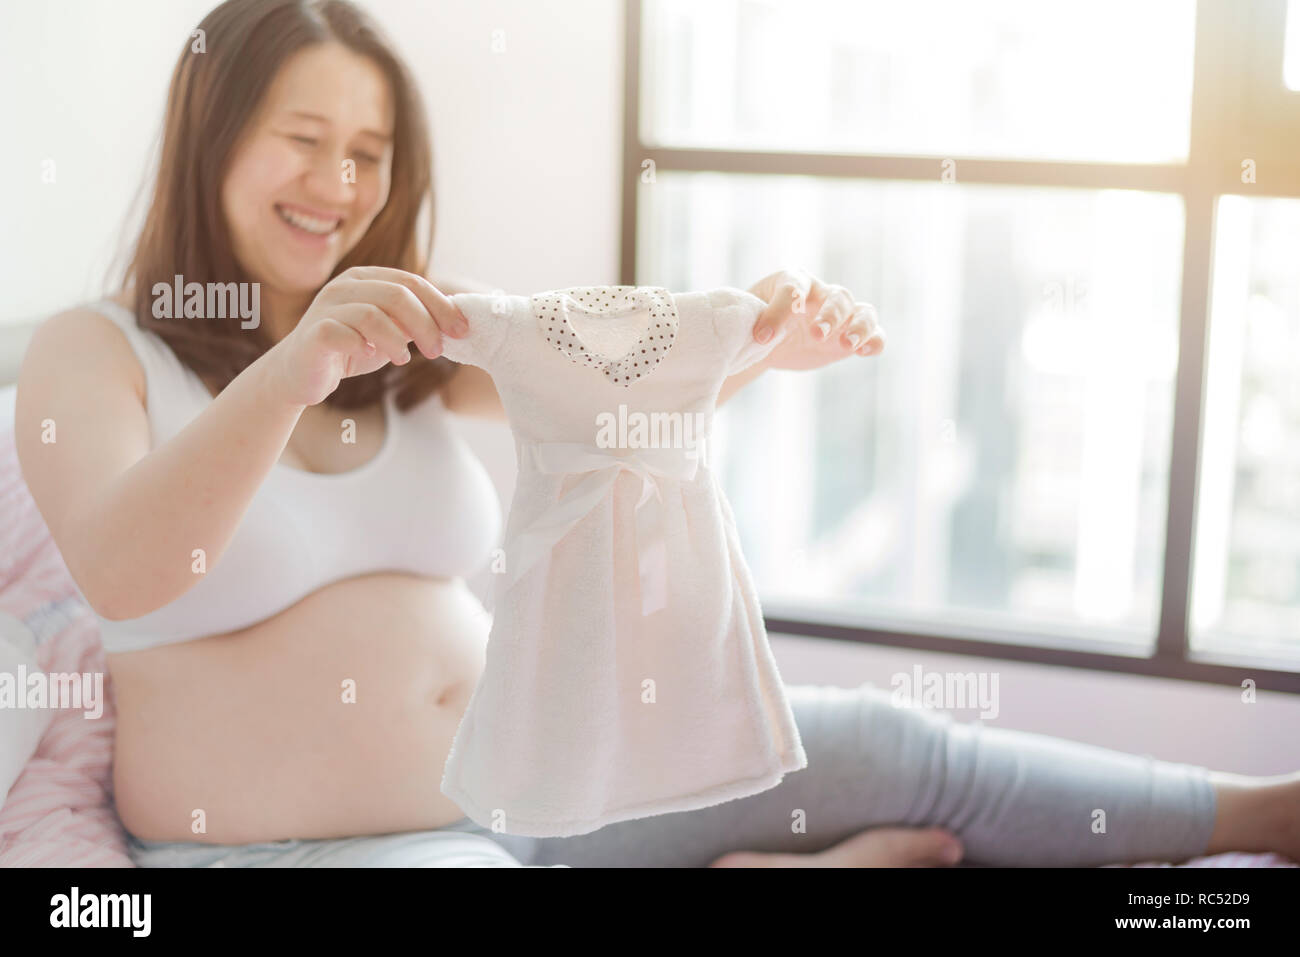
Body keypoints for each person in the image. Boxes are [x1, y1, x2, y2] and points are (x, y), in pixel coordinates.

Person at [14, 0, 1297, 868]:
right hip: (321, 846)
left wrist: (752, 355)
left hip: (546, 784)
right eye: (304, 141)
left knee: (890, 745)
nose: (340, 188)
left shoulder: (407, 334)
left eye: (369, 154)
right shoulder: (94, 349)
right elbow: (129, 570)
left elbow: (599, 414)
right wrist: (295, 363)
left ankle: (1262, 814)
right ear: (210, 133)